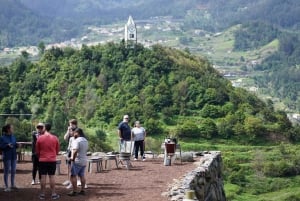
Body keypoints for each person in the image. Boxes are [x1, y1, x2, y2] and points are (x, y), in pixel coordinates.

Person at [36, 123, 60, 200]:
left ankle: (42, 194)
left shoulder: (40, 138)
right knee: (51, 176)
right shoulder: (55, 138)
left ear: (44, 128)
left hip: (42, 160)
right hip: (52, 160)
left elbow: (37, 151)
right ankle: (53, 194)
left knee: (43, 176)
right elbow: (57, 151)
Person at [67, 128, 88, 196]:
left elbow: (75, 150)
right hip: (84, 160)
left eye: (74, 133)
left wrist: (73, 158)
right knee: (82, 175)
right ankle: (82, 190)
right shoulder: (85, 140)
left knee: (73, 175)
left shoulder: (77, 141)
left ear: (77, 133)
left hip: (77, 161)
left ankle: (74, 191)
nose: (73, 134)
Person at [0, 124, 20, 192]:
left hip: (13, 156)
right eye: (12, 128)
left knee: (13, 171)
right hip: (7, 156)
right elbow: (1, 147)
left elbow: (14, 144)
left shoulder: (13, 137)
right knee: (7, 171)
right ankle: (6, 186)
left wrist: (17, 145)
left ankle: (12, 185)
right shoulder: (2, 138)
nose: (13, 129)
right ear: (8, 129)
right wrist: (7, 145)